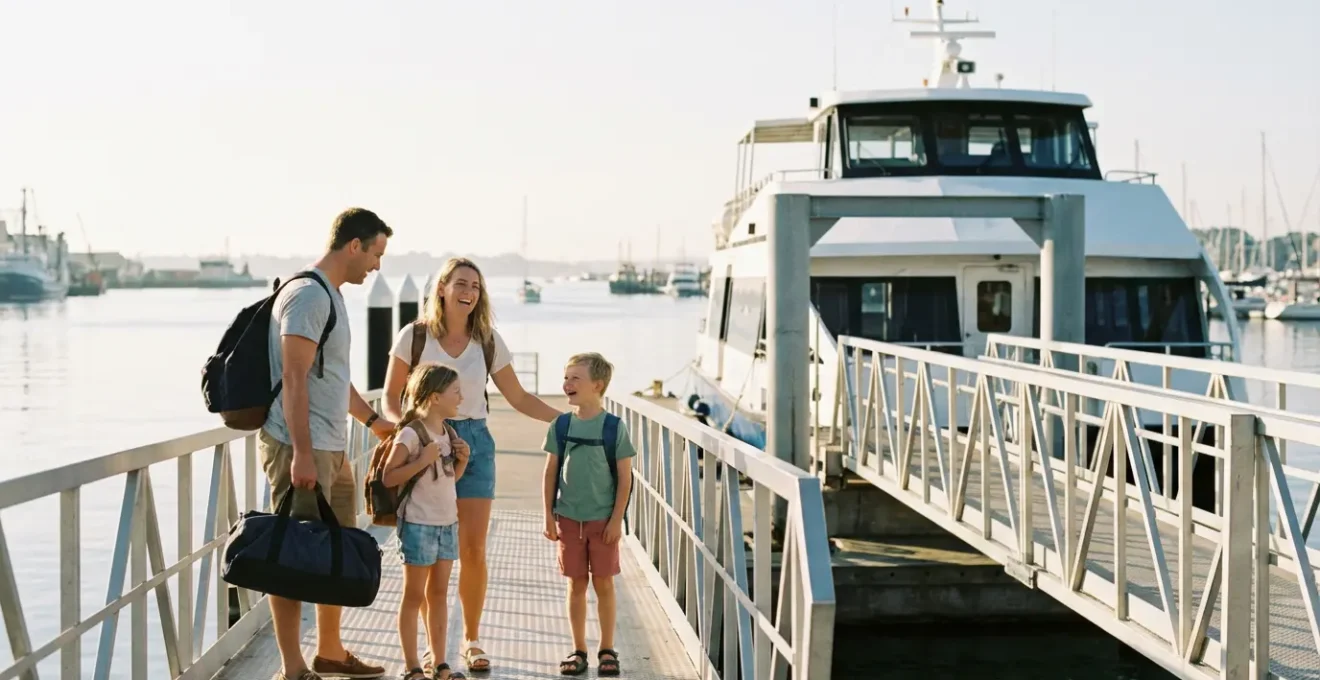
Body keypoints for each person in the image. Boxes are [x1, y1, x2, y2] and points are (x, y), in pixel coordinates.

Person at [380, 257, 560, 674]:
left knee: (473, 549)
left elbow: (518, 398)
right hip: (428, 441)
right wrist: (406, 432)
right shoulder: (415, 336)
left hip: (474, 443)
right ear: (441, 288)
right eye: (461, 283)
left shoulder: (487, 340)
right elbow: (391, 396)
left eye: (475, 286)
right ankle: (432, 648)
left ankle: (472, 639)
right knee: (428, 557)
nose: (469, 292)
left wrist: (565, 419)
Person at [261, 207, 395, 680]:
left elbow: (333, 379)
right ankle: (293, 668)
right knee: (292, 554)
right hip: (304, 446)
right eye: (376, 253)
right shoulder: (307, 296)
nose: (377, 265)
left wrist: (374, 421)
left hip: (331, 446)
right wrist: (300, 451)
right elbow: (294, 377)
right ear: (354, 246)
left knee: (333, 550)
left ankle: (330, 651)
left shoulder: (332, 296)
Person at [541, 353, 634, 677]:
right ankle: (578, 648)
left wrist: (616, 520)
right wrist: (548, 516)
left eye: (575, 378)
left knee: (604, 584)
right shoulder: (562, 425)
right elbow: (551, 471)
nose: (567, 384)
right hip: (568, 519)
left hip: (602, 521)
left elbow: (625, 478)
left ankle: (606, 648)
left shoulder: (614, 427)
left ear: (597, 385)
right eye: (566, 378)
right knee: (575, 585)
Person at [382, 363, 470, 680]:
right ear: (435, 397)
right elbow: (389, 477)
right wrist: (421, 459)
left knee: (439, 595)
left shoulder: (449, 432)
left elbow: (448, 480)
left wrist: (463, 461)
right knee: (414, 596)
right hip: (418, 524)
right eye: (456, 392)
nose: (461, 397)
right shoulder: (411, 433)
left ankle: (440, 662)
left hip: (447, 523)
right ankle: (412, 667)